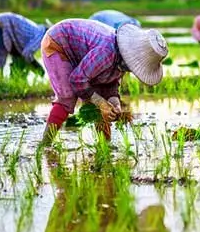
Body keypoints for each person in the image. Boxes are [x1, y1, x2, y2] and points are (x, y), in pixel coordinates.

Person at [39, 19, 168, 144]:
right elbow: (77, 80)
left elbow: (111, 82)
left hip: (82, 53)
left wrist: (114, 102)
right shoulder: (106, 52)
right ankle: (45, 144)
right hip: (58, 43)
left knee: (102, 99)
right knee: (67, 97)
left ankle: (105, 144)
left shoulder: (122, 58)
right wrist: (100, 102)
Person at [0, 12, 50, 79]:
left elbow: (23, 54)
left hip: (2, 25)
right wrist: (36, 66)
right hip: (0, 25)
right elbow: (27, 53)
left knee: (19, 59)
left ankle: (14, 80)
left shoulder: (38, 30)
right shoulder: (40, 36)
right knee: (1, 53)